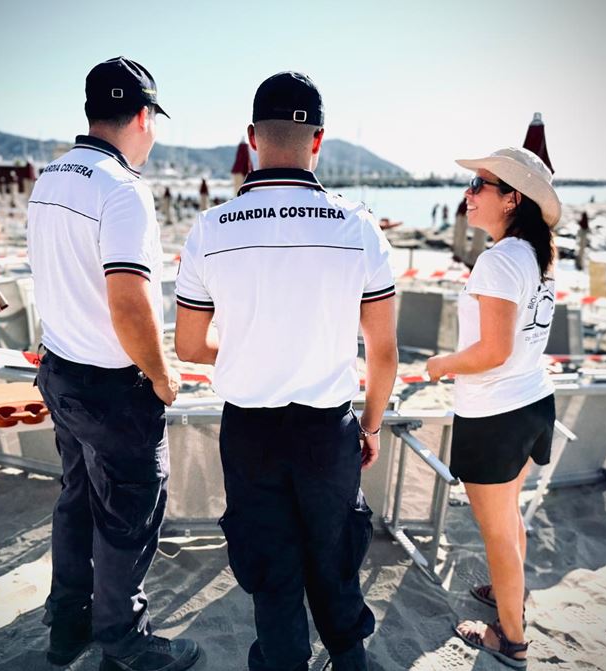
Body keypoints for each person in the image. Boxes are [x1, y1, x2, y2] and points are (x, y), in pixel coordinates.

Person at [174, 71, 398, 671]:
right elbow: (383, 352)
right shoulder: (358, 226)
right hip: (328, 430)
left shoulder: (210, 228)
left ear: (252, 137)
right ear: (318, 139)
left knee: (271, 566)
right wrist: (371, 427)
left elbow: (190, 345)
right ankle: (348, 658)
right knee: (335, 556)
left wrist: (250, 348)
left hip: (250, 431)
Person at [27, 57, 199, 671]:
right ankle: (124, 640)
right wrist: (162, 374)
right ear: (144, 116)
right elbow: (129, 302)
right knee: (129, 513)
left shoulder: (50, 177)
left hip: (61, 368)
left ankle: (67, 625)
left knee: (77, 499)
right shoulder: (122, 189)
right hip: (110, 384)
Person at [425, 147, 560, 669]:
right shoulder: (536, 255)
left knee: (498, 532)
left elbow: (493, 351)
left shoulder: (500, 260)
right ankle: (511, 595)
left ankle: (512, 639)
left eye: (480, 184)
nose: (469, 192)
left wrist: (441, 364)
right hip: (531, 402)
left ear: (512, 199)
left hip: (496, 414)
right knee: (509, 516)